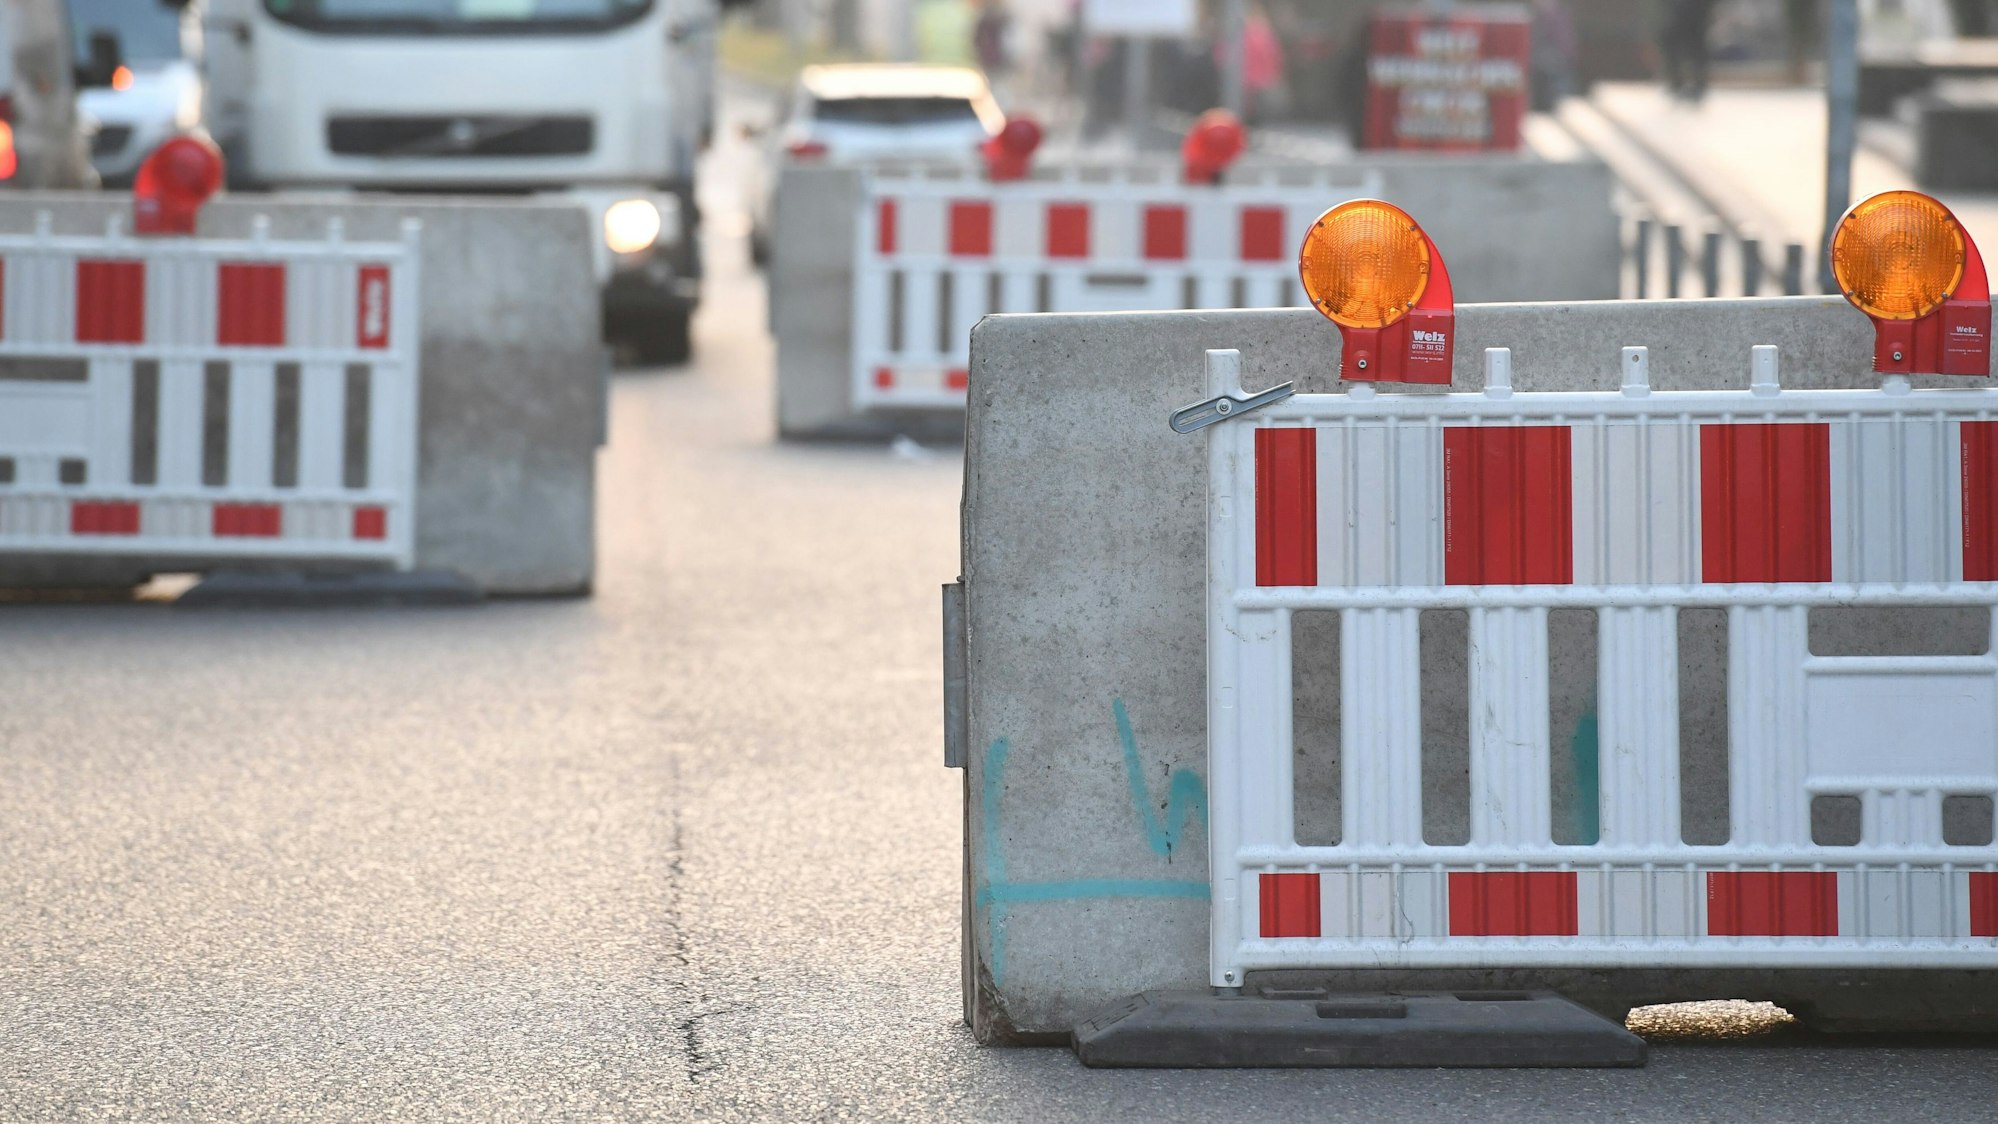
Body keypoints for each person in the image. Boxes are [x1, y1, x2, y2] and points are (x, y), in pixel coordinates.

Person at [1660, 0, 1717, 104]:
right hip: (1682, 12)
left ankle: (1698, 83)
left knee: (1696, 47)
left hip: (1696, 12)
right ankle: (1677, 83)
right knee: (1672, 43)